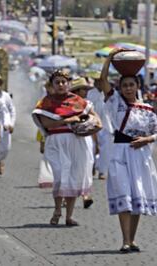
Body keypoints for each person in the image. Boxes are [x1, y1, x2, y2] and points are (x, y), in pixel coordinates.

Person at [100, 49, 157, 253]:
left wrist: (147, 139)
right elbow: (103, 81)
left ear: (138, 86)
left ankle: (132, 240)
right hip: (120, 153)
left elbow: (156, 132)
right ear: (120, 88)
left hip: (140, 156)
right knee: (123, 195)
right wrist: (108, 60)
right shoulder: (115, 102)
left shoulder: (148, 110)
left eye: (131, 85)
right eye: (124, 85)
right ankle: (125, 240)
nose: (128, 88)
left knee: (137, 197)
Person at [32, 70, 102, 226]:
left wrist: (94, 123)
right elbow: (46, 124)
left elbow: (94, 117)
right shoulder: (46, 102)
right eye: (57, 82)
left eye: (64, 82)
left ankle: (69, 216)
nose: (61, 85)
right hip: (56, 142)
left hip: (77, 142)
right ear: (52, 85)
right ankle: (57, 210)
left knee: (74, 178)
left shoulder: (79, 101)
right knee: (59, 177)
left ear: (69, 84)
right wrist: (67, 120)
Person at [69, 77, 97, 209]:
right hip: (71, 138)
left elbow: (95, 122)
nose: (86, 92)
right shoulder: (67, 104)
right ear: (77, 91)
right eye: (83, 89)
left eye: (86, 89)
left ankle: (86, 194)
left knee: (87, 164)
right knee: (72, 167)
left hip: (86, 138)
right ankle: (67, 195)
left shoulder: (89, 104)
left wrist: (95, 142)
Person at [0, 73, 15, 175]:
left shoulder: (6, 96)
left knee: (6, 148)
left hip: (4, 127)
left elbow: (11, 110)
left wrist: (11, 124)